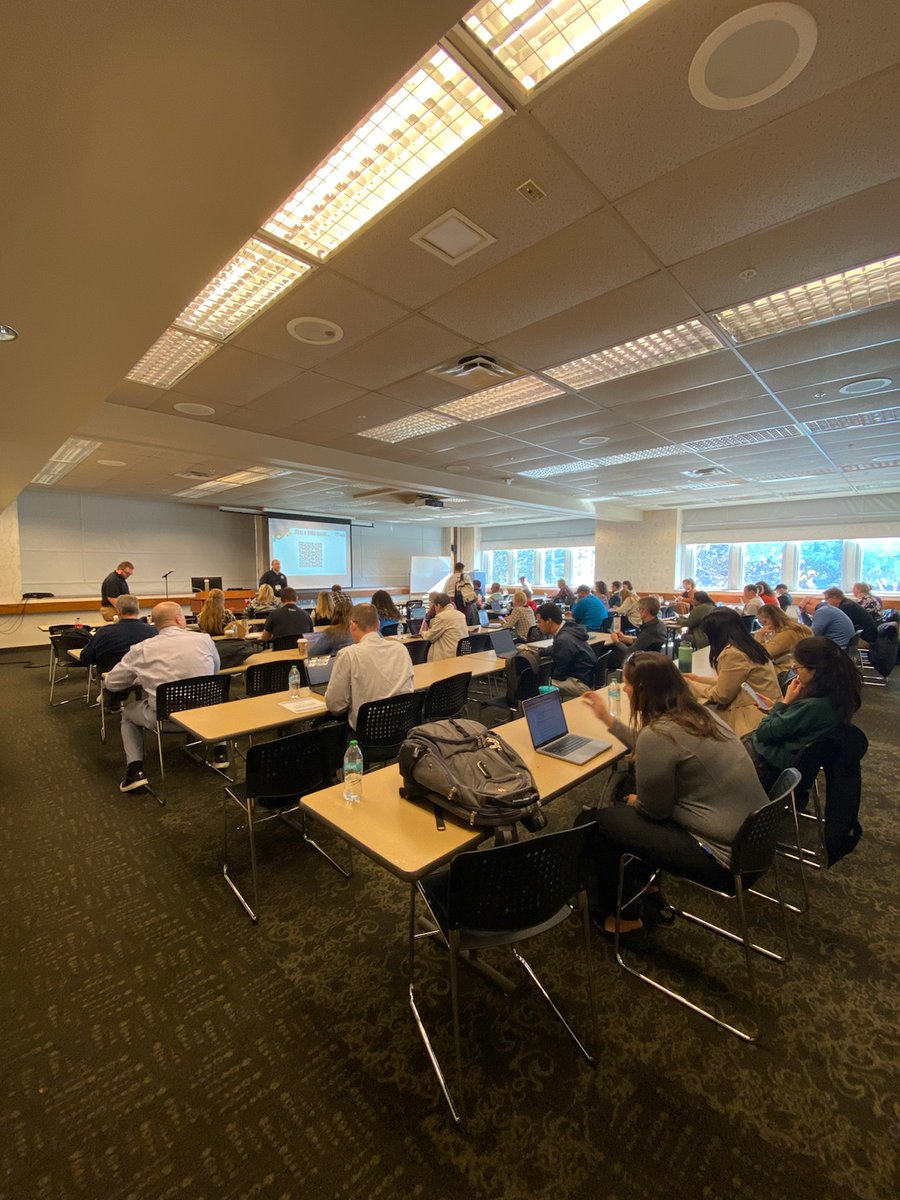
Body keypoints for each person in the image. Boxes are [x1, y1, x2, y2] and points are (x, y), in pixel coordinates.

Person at [578, 653, 768, 939]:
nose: (625, 690)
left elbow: (654, 812)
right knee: (626, 800)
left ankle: (625, 921)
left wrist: (636, 802)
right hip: (754, 840)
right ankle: (648, 888)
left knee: (598, 822)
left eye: (627, 684)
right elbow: (653, 746)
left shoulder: (660, 734)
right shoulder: (701, 716)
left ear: (643, 690)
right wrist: (607, 719)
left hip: (723, 858)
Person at [105, 601, 221, 792]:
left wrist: (141, 677)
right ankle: (221, 754)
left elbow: (112, 683)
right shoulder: (204, 640)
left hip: (166, 719)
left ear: (154, 623)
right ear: (179, 619)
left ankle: (135, 771)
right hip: (205, 714)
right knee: (215, 696)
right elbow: (215, 672)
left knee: (127, 714)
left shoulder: (142, 649)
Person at [747, 636, 862, 790]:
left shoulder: (815, 706)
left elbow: (764, 732)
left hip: (765, 766)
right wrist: (777, 708)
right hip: (778, 761)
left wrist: (785, 702)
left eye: (797, 668)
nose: (795, 673)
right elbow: (796, 722)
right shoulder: (838, 696)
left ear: (814, 670)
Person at [683, 607, 781, 736]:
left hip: (751, 718)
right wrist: (698, 679)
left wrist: (690, 684)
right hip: (764, 709)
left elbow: (722, 695)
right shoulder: (749, 646)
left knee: (691, 723)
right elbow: (730, 681)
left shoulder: (734, 654)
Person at [324, 603, 414, 731]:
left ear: (352, 625)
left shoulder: (348, 654)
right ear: (378, 624)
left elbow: (335, 706)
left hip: (366, 733)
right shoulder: (401, 649)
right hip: (401, 728)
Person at [80, 594, 158, 706]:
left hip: (112, 677)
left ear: (118, 611)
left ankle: (113, 703)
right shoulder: (154, 631)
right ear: (138, 610)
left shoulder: (104, 632)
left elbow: (86, 657)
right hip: (146, 676)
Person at [535, 602, 596, 697]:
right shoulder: (569, 629)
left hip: (580, 684)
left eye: (539, 621)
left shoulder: (563, 640)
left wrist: (547, 674)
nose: (538, 625)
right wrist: (539, 652)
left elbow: (560, 675)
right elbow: (557, 648)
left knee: (539, 685)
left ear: (549, 621)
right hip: (587, 677)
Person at [606, 594, 666, 671]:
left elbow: (630, 651)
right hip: (651, 658)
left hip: (640, 662)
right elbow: (644, 642)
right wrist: (625, 639)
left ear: (645, 611)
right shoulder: (659, 624)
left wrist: (616, 641)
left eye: (639, 609)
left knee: (607, 655)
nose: (638, 612)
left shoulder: (649, 631)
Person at [421, 593, 468, 661]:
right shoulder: (461, 615)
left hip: (448, 656)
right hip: (461, 654)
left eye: (434, 606)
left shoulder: (442, 617)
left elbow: (429, 637)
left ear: (438, 606)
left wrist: (423, 633)